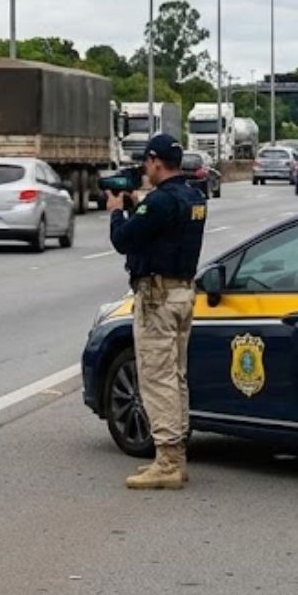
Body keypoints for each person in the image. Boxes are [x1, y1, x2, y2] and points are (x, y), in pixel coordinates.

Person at [106, 132, 207, 489]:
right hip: (182, 294)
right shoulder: (193, 196)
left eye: (146, 163)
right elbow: (160, 232)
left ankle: (166, 462)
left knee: (157, 377)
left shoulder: (162, 201)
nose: (144, 169)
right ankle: (176, 457)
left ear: (155, 161)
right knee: (175, 377)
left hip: (157, 299)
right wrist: (138, 206)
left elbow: (123, 240)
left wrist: (116, 211)